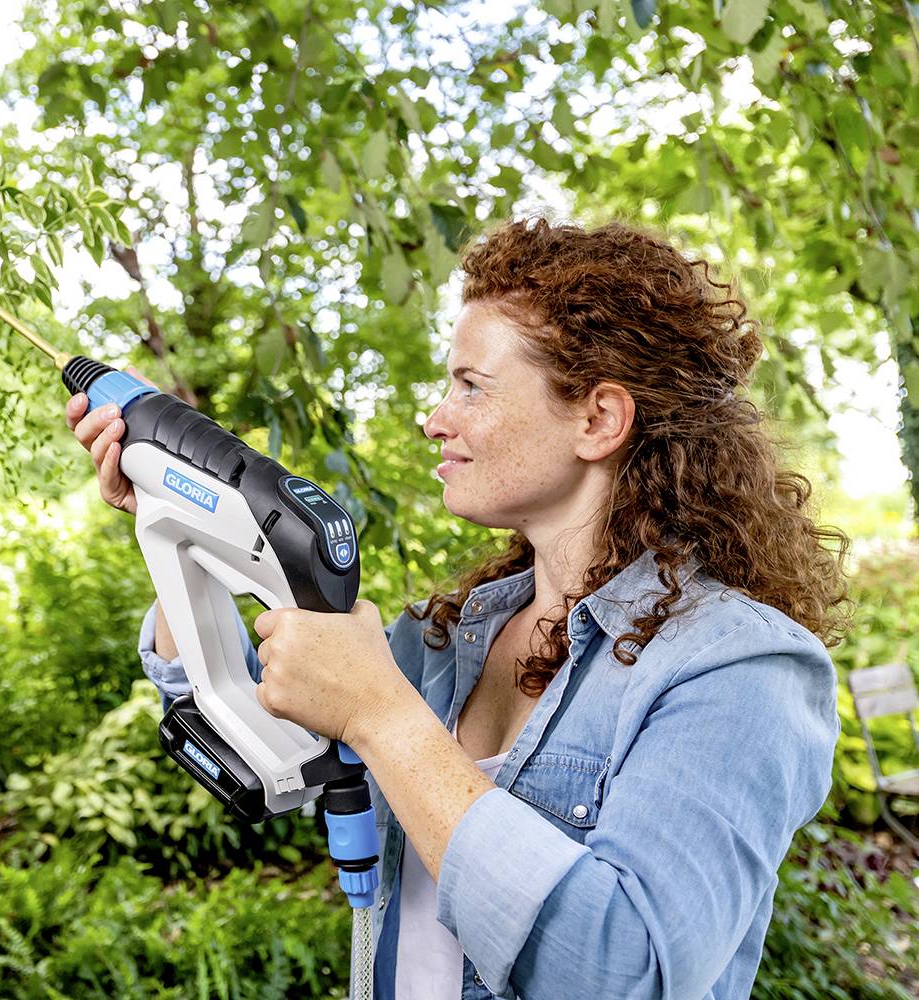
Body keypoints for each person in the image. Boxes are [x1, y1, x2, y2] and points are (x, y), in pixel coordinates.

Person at [64, 217, 847, 1000]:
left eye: (472, 385)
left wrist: (382, 715)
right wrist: (177, 525)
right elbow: (263, 748)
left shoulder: (741, 669)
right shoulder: (440, 643)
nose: (435, 419)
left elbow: (626, 972)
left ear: (598, 420)